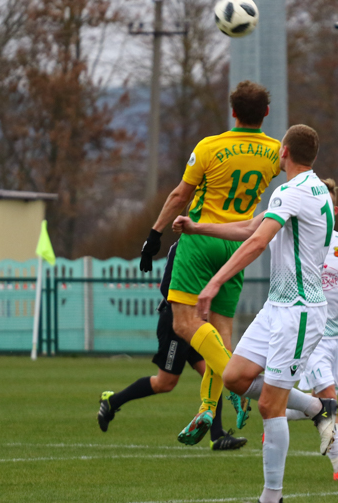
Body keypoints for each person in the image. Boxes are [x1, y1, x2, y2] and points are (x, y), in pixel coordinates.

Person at [173, 124, 338, 503]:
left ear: (284, 152)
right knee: (234, 377)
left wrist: (214, 283)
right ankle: (318, 407)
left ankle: (271, 496)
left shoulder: (293, 191)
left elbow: (258, 241)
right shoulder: (310, 189)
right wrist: (199, 227)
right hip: (277, 307)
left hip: (299, 311)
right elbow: (253, 226)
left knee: (268, 405)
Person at [137, 80, 282, 445]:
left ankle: (239, 385)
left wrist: (154, 235)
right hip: (237, 243)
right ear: (266, 113)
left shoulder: (210, 147)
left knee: (185, 324)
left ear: (233, 112)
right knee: (220, 335)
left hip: (200, 239)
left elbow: (179, 195)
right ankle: (206, 407)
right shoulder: (274, 152)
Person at [97, 244, 247, 450]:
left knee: (213, 369)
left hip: (199, 325)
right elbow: (167, 289)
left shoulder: (212, 245)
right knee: (165, 383)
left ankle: (217, 435)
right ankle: (112, 401)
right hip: (177, 322)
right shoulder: (183, 247)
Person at [285, 178, 338, 482]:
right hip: (311, 333)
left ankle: (276, 411)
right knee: (329, 398)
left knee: (321, 402)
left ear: (333, 210)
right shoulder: (298, 242)